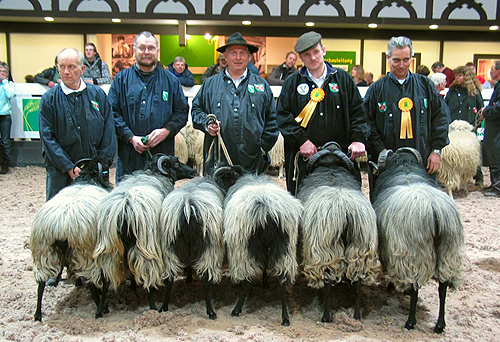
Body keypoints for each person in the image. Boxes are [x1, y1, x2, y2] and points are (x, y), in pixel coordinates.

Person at [276, 31, 369, 195]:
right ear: (301, 58)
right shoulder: (291, 83)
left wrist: (358, 139)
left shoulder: (343, 79)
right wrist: (301, 140)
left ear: (324, 51)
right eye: (307, 54)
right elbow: (283, 116)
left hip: (341, 159)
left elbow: (358, 113)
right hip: (305, 160)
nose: (312, 58)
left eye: (316, 52)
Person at [364, 36, 449, 188]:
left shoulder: (426, 85)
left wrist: (436, 151)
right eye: (396, 60)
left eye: (406, 59)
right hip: (386, 164)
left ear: (411, 58)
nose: (401, 65)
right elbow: (367, 123)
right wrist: (380, 150)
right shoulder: (376, 89)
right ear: (388, 58)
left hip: (422, 162)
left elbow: (440, 118)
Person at [192, 32, 278, 175]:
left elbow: (273, 120)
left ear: (249, 57)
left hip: (253, 160)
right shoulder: (210, 84)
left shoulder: (261, 85)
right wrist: (206, 124)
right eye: (233, 53)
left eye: (242, 53)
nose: (238, 58)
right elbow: (196, 110)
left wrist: (262, 147)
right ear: (225, 56)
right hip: (218, 159)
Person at [109, 31, 188, 182]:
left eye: (151, 48)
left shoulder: (171, 81)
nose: (146, 52)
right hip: (129, 158)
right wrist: (131, 138)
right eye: (142, 48)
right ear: (134, 50)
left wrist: (166, 131)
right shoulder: (121, 80)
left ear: (157, 51)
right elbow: (112, 113)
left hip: (162, 160)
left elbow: (182, 111)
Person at [38, 48, 116, 200]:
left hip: (94, 171)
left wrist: (102, 163)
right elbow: (47, 138)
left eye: (71, 67)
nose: (66, 71)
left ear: (82, 69)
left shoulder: (98, 95)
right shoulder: (49, 99)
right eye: (62, 66)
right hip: (61, 172)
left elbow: (109, 131)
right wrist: (67, 166)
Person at [481, 61, 500, 197]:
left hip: (497, 128)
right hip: (494, 127)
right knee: (493, 153)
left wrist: (486, 111)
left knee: (496, 154)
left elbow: (498, 109)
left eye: (492, 69)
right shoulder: (497, 86)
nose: (490, 72)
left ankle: (497, 187)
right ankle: (494, 184)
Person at [0, 62, 15, 174]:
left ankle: (6, 165)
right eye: (0, 71)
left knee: (5, 141)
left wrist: (4, 82)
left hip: (5, 115)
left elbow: (10, 94)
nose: (2, 74)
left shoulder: (9, 84)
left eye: (4, 72)